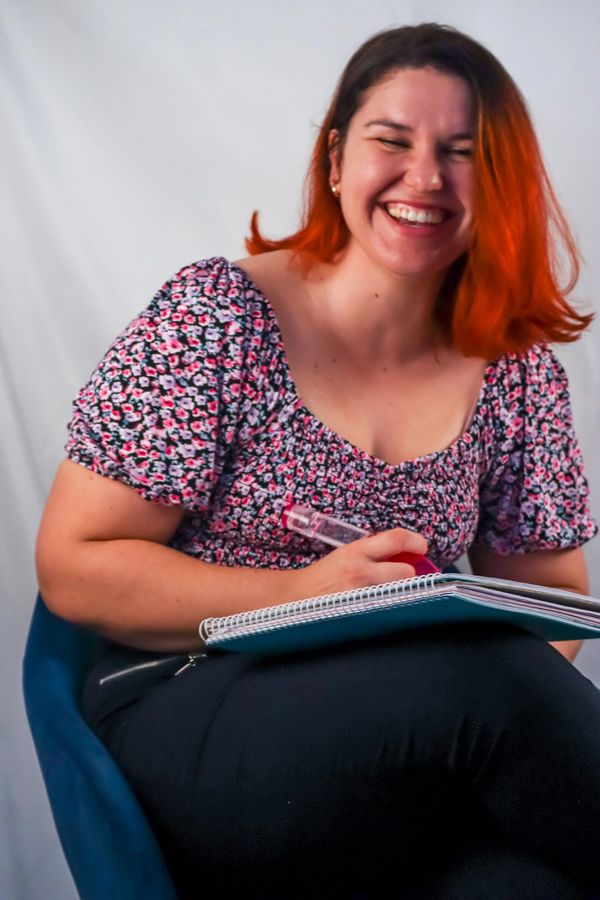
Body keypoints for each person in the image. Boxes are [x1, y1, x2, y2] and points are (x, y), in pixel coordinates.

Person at [36, 22, 600, 899]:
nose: (426, 178)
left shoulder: (514, 368)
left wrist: (423, 640)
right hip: (194, 707)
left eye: (463, 153)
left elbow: (556, 602)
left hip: (411, 741)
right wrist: (305, 597)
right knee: (488, 675)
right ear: (336, 159)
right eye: (392, 141)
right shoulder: (216, 316)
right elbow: (75, 569)